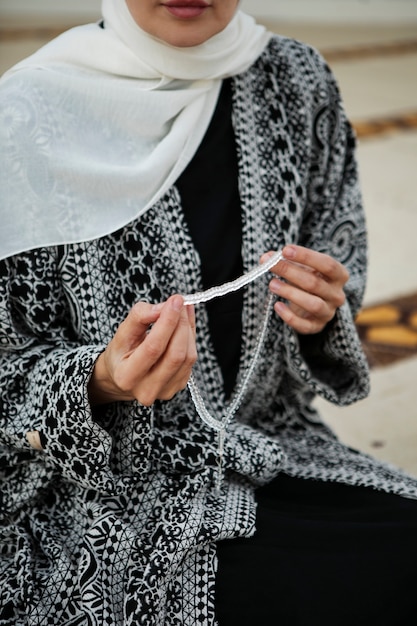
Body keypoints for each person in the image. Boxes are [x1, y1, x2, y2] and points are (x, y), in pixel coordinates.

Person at [0, 1, 416, 624]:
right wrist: (100, 380)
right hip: (96, 498)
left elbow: (337, 260)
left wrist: (321, 313)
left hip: (276, 450)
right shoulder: (23, 116)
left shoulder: (297, 82)